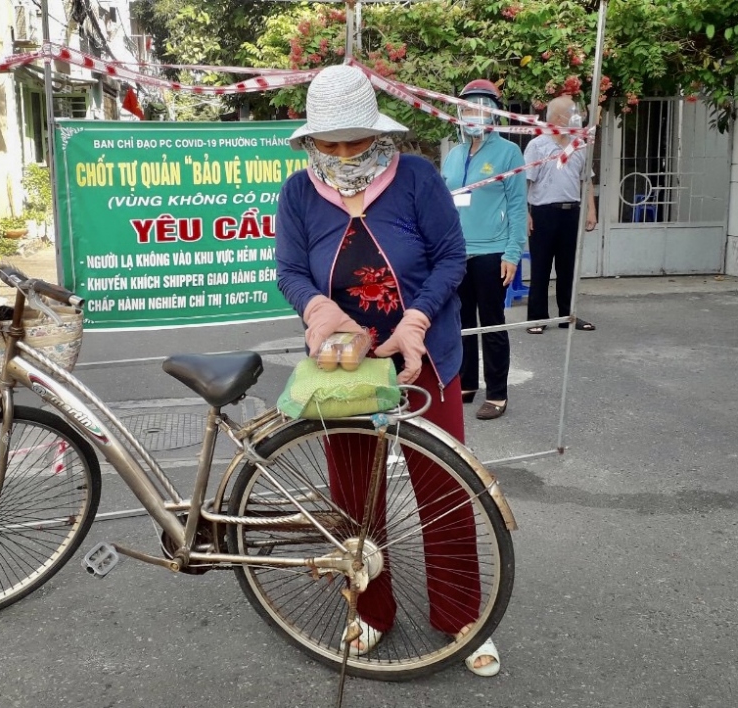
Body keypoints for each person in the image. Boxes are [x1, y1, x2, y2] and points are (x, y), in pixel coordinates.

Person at [275, 64, 501, 677]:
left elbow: (452, 257)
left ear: (378, 133)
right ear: (312, 142)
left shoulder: (417, 179)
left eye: (356, 140)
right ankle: (372, 610)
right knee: (354, 496)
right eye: (331, 143)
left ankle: (461, 616)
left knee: (443, 491)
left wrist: (416, 321)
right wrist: (318, 309)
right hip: (343, 367)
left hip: (421, 357)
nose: (345, 154)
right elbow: (291, 271)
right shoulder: (299, 192)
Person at [440, 79, 527, 421]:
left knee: (491, 323)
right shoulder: (454, 155)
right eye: (466, 107)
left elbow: (518, 207)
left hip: (492, 253)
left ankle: (497, 393)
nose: (471, 113)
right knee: (460, 322)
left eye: (478, 107)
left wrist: (512, 253)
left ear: (492, 112)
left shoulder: (509, 152)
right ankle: (466, 381)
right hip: (456, 254)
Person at [523, 95, 597, 333]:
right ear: (557, 117)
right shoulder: (537, 146)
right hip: (543, 213)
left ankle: (568, 315)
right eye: (572, 112)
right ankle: (537, 318)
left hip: (571, 212)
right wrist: (526, 214)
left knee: (568, 268)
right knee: (541, 268)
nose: (577, 117)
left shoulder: (580, 144)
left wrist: (591, 210)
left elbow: (587, 181)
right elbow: (524, 183)